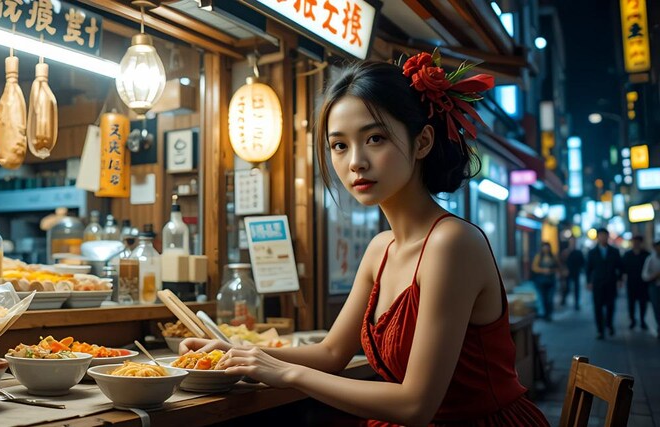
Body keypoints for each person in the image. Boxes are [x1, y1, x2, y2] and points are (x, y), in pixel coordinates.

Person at [183, 56, 547, 426]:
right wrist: (239, 351)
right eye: (339, 145)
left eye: (375, 138)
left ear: (422, 142)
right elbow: (331, 352)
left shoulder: (451, 243)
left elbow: (415, 405)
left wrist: (286, 372)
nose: (355, 162)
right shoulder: (381, 248)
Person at [586, 228, 622, 340]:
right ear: (598, 237)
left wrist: (620, 279)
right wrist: (589, 282)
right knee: (598, 307)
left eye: (604, 235)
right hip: (598, 283)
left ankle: (609, 324)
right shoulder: (592, 252)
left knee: (611, 305)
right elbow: (588, 268)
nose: (603, 238)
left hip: (611, 282)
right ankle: (600, 330)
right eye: (600, 235)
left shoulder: (614, 251)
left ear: (607, 237)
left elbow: (619, 266)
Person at [622, 236, 650, 330]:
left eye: (637, 242)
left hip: (643, 283)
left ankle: (642, 320)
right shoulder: (627, 254)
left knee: (643, 303)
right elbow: (623, 268)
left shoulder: (646, 254)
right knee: (631, 303)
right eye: (634, 242)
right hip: (631, 283)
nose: (636, 243)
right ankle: (632, 320)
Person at [531, 242, 559, 321]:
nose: (546, 249)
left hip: (551, 280)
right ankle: (546, 314)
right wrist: (543, 270)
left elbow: (558, 267)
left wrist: (551, 270)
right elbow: (534, 267)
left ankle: (549, 313)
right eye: (545, 247)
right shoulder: (538, 256)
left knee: (550, 298)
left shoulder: (553, 257)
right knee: (543, 298)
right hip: (541, 281)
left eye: (547, 247)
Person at [559, 237, 585, 309]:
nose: (573, 242)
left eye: (574, 241)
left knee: (576, 288)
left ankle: (576, 303)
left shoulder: (578, 252)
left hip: (575, 272)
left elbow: (582, 262)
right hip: (567, 272)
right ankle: (563, 299)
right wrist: (563, 270)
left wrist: (580, 269)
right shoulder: (565, 252)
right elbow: (561, 262)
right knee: (566, 287)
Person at [642, 240, 660, 340]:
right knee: (656, 307)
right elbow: (644, 275)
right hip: (654, 286)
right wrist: (654, 276)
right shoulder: (650, 259)